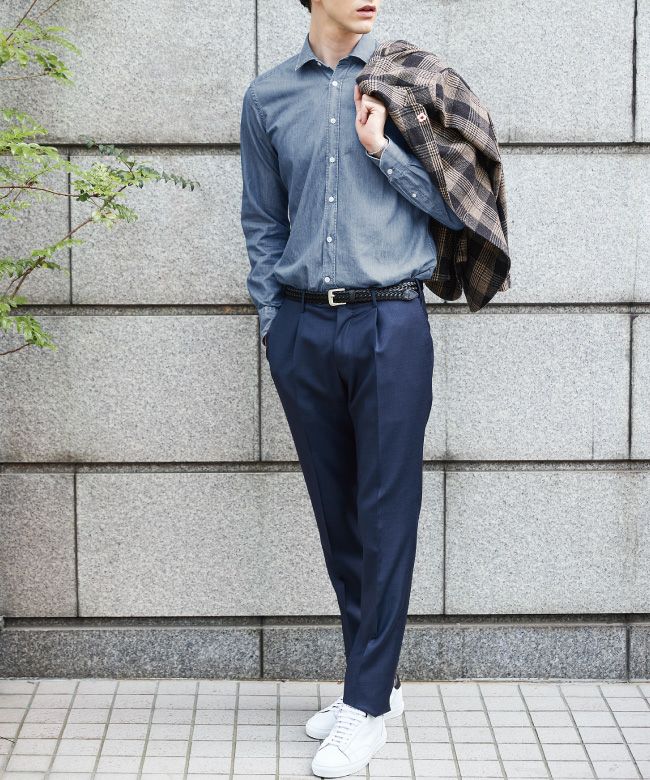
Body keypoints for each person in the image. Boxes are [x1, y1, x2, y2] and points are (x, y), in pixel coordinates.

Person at [239, 1, 464, 776]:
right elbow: (262, 221)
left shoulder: (410, 87)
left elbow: (454, 205)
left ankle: (365, 706)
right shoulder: (268, 98)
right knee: (339, 516)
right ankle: (377, 684)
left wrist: (382, 150)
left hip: (390, 324)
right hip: (302, 328)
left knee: (386, 514)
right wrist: (274, 322)